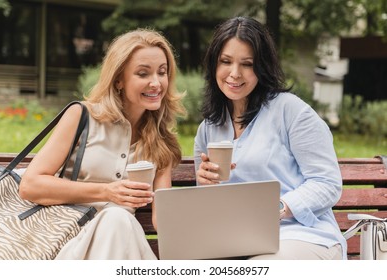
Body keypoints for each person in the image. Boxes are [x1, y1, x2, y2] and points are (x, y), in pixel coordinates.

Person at [19, 28, 185, 260]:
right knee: (116, 217)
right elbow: (30, 185)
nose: (156, 83)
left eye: (162, 72)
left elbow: (162, 220)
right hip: (72, 246)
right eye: (143, 74)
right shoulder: (82, 116)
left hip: (120, 246)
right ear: (119, 79)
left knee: (118, 220)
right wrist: (107, 191)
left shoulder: (163, 142)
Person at [194, 17, 347, 260]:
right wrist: (203, 185)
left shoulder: (292, 112)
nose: (234, 74)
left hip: (301, 236)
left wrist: (278, 208)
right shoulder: (208, 128)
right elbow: (209, 207)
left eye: (247, 64)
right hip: (235, 241)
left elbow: (327, 183)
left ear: (262, 67)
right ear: (214, 64)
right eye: (226, 61)